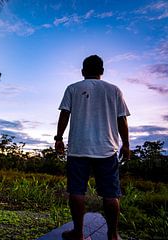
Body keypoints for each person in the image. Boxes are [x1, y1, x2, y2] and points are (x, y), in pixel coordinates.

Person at [54, 55, 130, 240]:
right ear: (102, 72)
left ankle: (78, 234)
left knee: (77, 191)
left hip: (78, 149)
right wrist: (126, 144)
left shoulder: (73, 88)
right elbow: (122, 119)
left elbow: (64, 114)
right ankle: (113, 236)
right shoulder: (114, 90)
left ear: (82, 71)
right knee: (111, 194)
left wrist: (59, 138)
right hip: (107, 149)